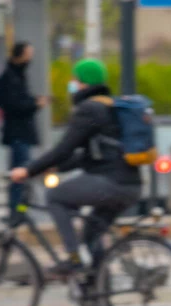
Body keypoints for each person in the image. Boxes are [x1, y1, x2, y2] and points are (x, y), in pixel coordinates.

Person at [9, 58, 142, 280]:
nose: (72, 84)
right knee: (91, 236)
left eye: (74, 80)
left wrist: (28, 170)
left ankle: (73, 259)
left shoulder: (89, 109)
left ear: (84, 83)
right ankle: (98, 299)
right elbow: (87, 156)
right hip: (131, 186)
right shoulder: (110, 106)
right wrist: (54, 167)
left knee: (55, 196)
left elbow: (64, 147)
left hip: (110, 183)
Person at [0, 42, 48, 217]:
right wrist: (34, 104)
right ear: (20, 55)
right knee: (20, 174)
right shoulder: (9, 78)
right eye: (28, 54)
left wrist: (33, 101)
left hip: (21, 133)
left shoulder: (18, 75)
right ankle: (17, 212)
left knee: (20, 174)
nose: (30, 58)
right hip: (18, 133)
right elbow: (13, 104)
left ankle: (20, 211)